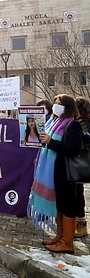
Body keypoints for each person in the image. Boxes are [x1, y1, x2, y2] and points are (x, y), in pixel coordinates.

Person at [29, 94, 83, 253]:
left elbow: (73, 149)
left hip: (66, 173)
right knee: (60, 204)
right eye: (55, 103)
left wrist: (50, 143)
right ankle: (60, 237)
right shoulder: (53, 122)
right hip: (55, 172)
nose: (56, 106)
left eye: (60, 104)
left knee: (67, 206)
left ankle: (67, 242)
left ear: (68, 107)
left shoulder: (72, 125)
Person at [74, 96, 90, 238]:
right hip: (79, 161)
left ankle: (81, 225)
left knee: (77, 194)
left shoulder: (81, 123)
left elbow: (84, 140)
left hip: (78, 161)